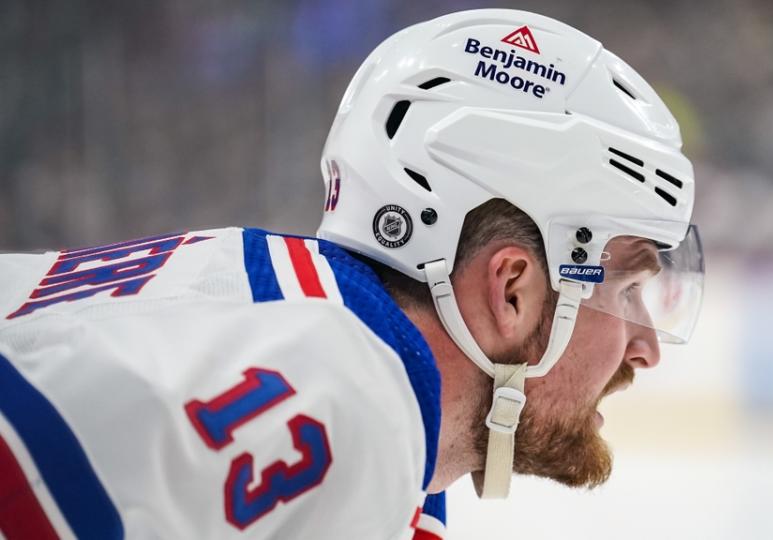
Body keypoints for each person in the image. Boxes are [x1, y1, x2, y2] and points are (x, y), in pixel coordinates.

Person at [0, 8, 703, 540]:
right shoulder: (341, 406)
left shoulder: (337, 360)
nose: (643, 346)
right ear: (513, 290)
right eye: (626, 289)